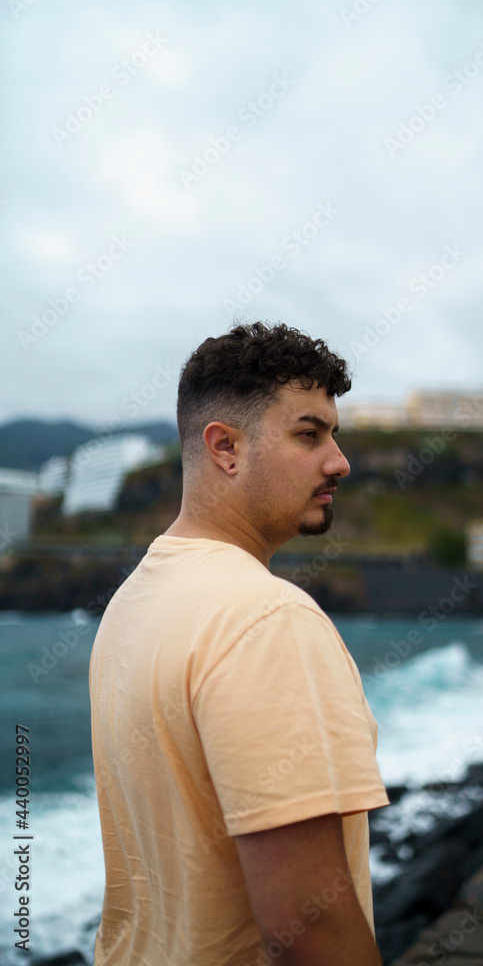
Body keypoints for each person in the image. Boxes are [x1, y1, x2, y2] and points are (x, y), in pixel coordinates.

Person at [89, 321, 390, 966]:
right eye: (310, 434)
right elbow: (309, 924)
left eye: (334, 435)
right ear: (225, 448)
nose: (340, 461)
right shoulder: (267, 620)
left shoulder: (132, 602)